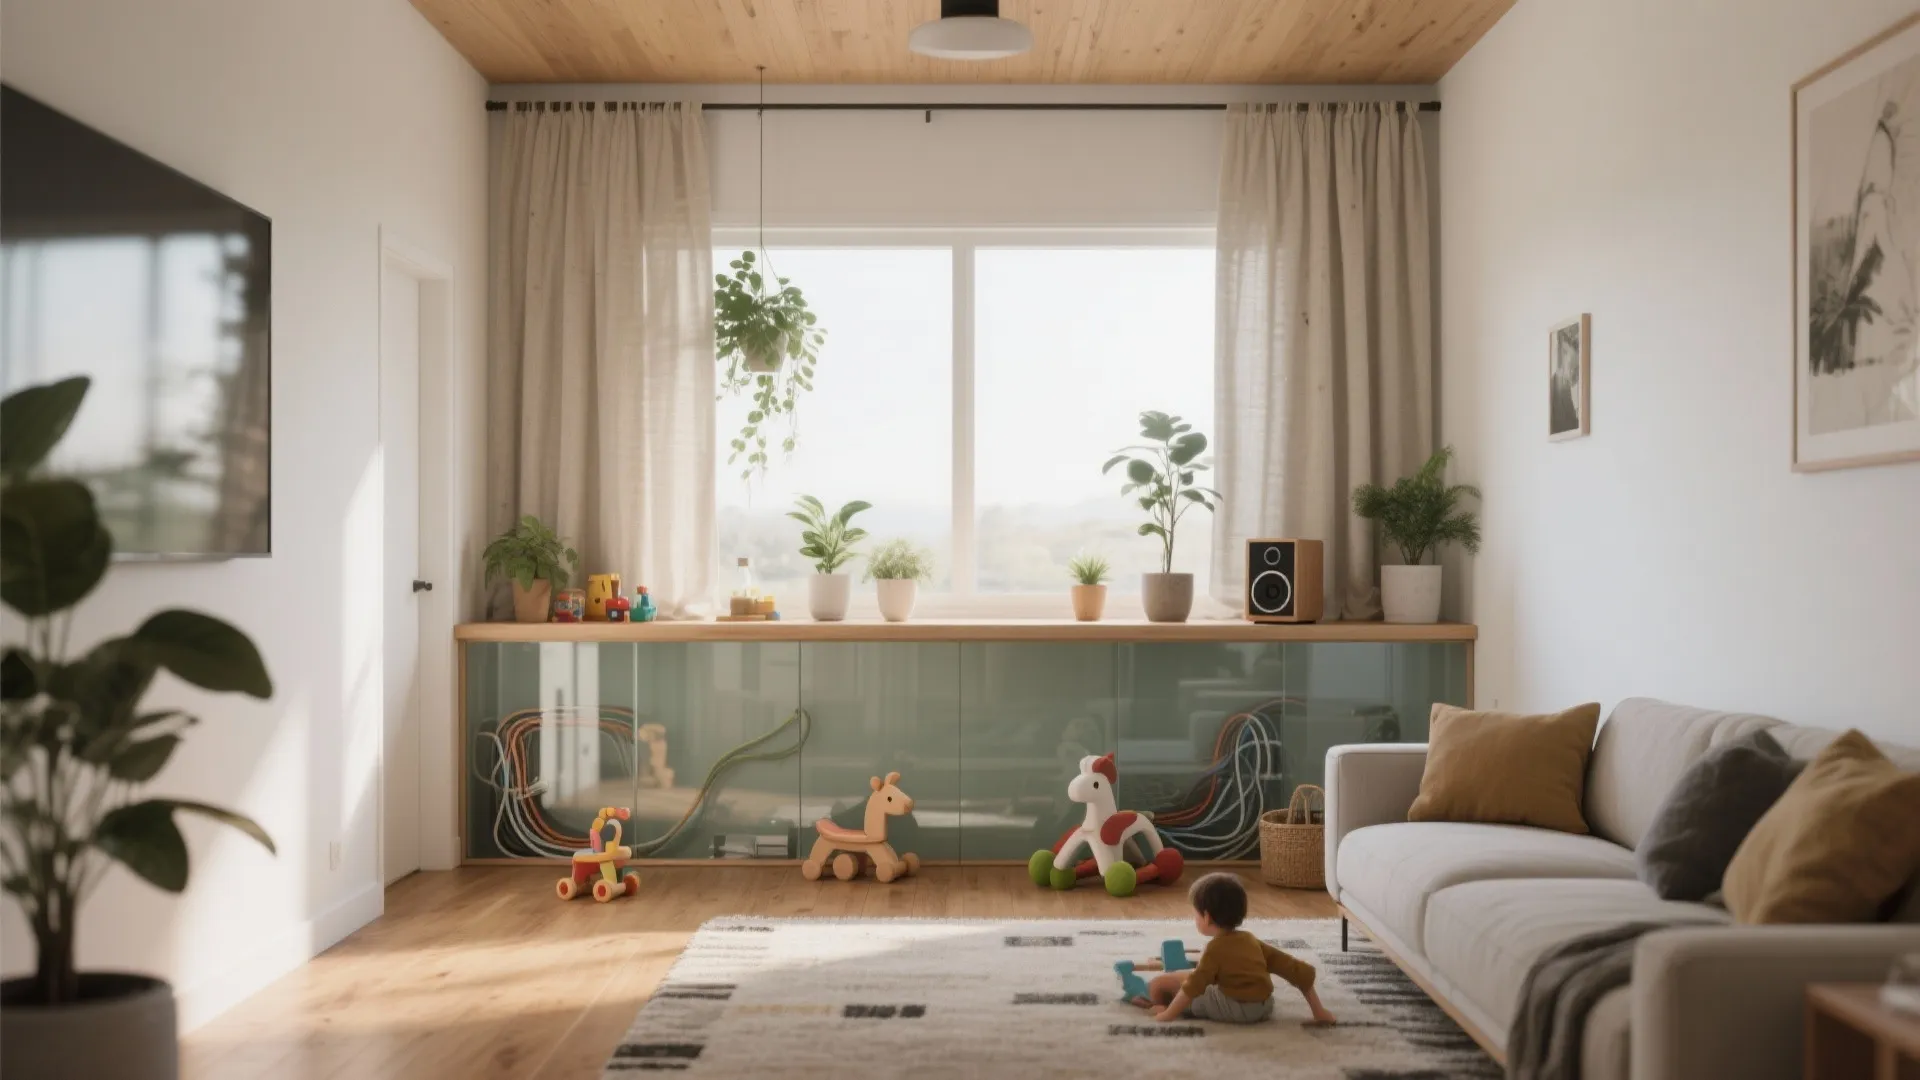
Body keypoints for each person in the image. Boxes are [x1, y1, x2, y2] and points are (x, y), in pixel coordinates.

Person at [1132, 871, 1336, 1027]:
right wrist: (1319, 1011)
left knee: (1171, 985)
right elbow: (1296, 970)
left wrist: (1167, 1016)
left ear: (1207, 917)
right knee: (1188, 979)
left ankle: (1159, 1005)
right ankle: (1161, 998)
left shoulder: (1215, 949)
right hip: (1264, 1007)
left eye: (1195, 914)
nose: (1194, 919)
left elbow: (1193, 987)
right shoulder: (1250, 940)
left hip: (1236, 1009)